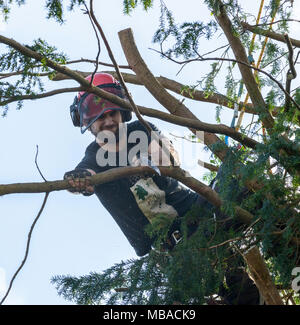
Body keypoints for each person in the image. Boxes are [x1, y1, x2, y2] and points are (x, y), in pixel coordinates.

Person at [64, 72, 260, 304]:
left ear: (122, 111)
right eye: (100, 117)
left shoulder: (142, 129)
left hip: (201, 217)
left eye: (112, 113)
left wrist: (151, 159)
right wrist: (78, 181)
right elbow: (85, 177)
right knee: (240, 294)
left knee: (239, 178)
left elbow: (169, 153)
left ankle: (288, 240)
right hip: (171, 250)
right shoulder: (93, 158)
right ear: (87, 122)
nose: (108, 121)